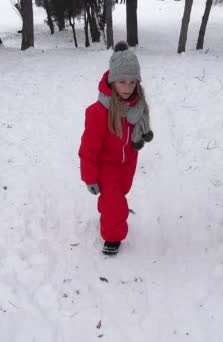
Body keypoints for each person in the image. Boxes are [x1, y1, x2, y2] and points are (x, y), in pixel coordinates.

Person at [78, 41, 153, 256]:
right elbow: (88, 148)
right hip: (107, 165)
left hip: (128, 162)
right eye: (122, 82)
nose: (127, 88)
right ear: (112, 81)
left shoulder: (137, 105)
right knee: (115, 203)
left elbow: (141, 125)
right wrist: (90, 177)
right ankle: (113, 236)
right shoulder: (98, 112)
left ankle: (108, 211)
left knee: (120, 193)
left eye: (132, 82)